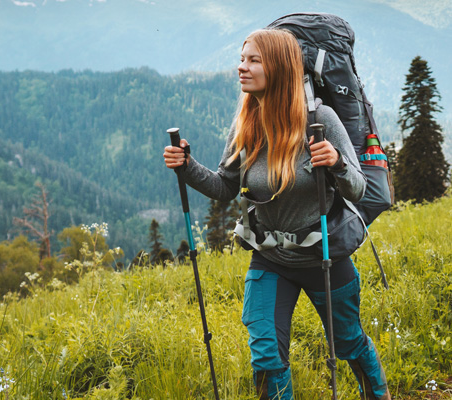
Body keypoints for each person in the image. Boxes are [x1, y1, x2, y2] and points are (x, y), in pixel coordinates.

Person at [163, 29, 390, 400]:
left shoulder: (321, 119)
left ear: (280, 67)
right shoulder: (246, 124)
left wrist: (336, 163)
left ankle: (378, 396)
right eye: (241, 59)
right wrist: (187, 166)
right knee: (266, 354)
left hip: (324, 257)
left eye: (253, 60)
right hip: (270, 259)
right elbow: (224, 187)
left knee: (348, 342)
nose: (242, 67)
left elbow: (359, 189)